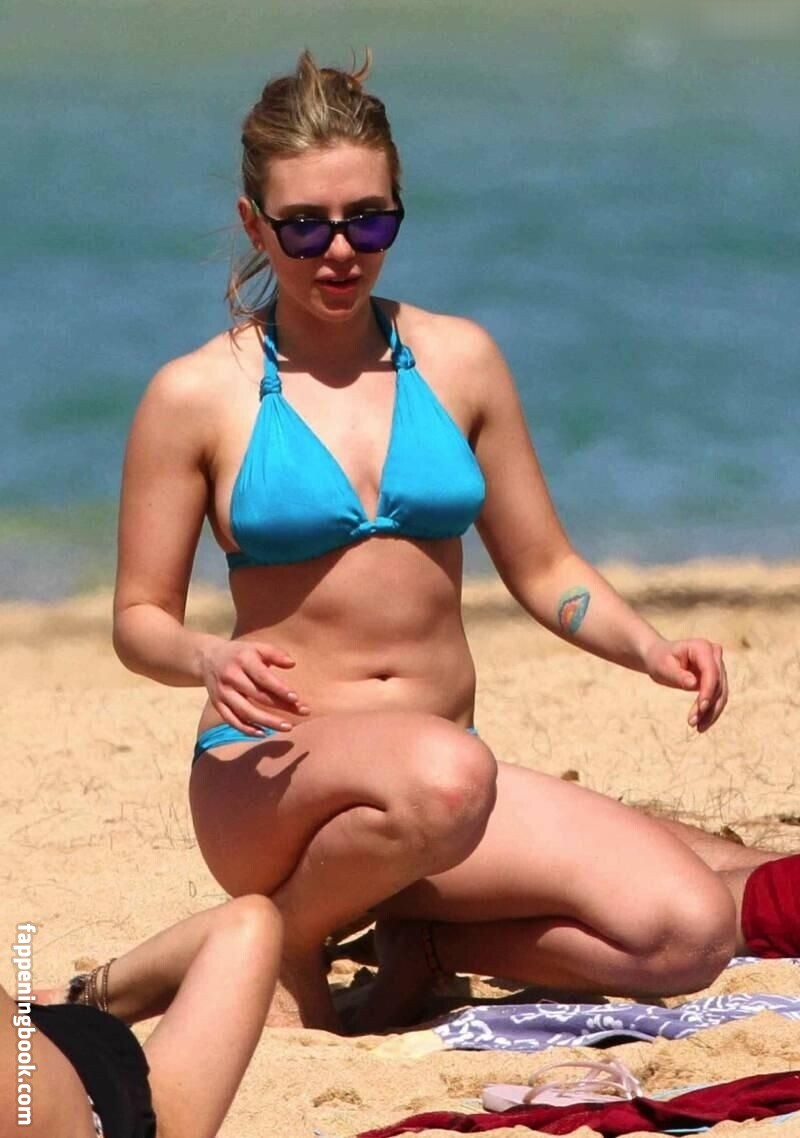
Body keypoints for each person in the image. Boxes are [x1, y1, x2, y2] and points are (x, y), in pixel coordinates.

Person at [111, 49, 783, 1033]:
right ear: (255, 225)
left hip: (443, 796)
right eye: (304, 226)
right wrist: (207, 657)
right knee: (450, 775)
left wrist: (648, 648)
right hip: (272, 781)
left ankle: (418, 945)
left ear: (398, 210)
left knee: (686, 933)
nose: (340, 251)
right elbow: (138, 620)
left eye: (368, 220)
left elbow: (544, 566)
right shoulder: (196, 394)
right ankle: (284, 937)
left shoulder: (460, 361)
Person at [3, 896, 281, 1138]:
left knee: (251, 923)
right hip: (99, 1087)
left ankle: (81, 995)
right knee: (250, 924)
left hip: (75, 1060)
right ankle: (82, 996)